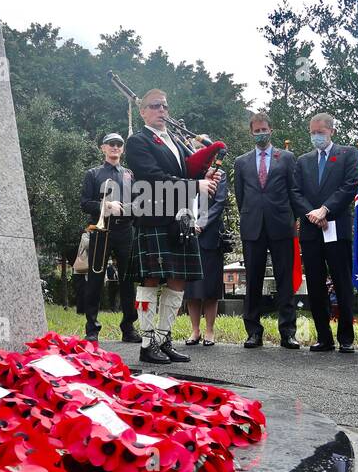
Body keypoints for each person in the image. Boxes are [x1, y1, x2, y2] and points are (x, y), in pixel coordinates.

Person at [124, 89, 222, 365]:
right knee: (151, 280)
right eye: (154, 106)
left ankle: (164, 339)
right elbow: (153, 178)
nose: (161, 111)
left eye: (164, 106)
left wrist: (204, 175)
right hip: (153, 216)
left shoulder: (176, 142)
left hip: (180, 217)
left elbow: (184, 173)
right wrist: (195, 186)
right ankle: (146, 342)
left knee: (178, 279)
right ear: (143, 111)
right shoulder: (137, 141)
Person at [291, 113, 358, 352]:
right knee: (317, 285)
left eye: (320, 132)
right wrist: (312, 213)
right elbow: (296, 192)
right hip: (311, 230)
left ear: (331, 131)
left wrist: (325, 210)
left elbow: (350, 185)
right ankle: (324, 337)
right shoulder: (303, 160)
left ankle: (346, 338)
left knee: (342, 282)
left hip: (337, 227)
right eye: (312, 132)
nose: (316, 136)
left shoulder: (348, 154)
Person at [233, 112, 301, 349]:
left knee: (285, 280)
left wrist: (295, 219)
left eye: (264, 129)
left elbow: (294, 191)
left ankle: (288, 332)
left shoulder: (287, 158)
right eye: (256, 130)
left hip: (282, 225)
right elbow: (240, 196)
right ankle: (253, 331)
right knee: (253, 280)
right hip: (253, 227)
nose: (261, 133)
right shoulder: (241, 162)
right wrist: (252, 214)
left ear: (271, 130)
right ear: (251, 132)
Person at [79, 133, 139, 344]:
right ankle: (92, 329)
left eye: (119, 144)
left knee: (128, 281)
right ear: (103, 148)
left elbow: (137, 202)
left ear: (122, 149)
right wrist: (105, 206)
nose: (115, 147)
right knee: (95, 279)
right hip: (101, 230)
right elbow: (85, 203)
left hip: (125, 231)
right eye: (111, 144)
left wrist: (128, 209)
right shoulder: (93, 174)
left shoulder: (129, 174)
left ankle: (129, 327)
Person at [184, 137, 229, 347]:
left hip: (210, 235)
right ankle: (195, 331)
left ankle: (210, 331)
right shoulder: (185, 176)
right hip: (187, 235)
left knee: (210, 288)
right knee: (191, 289)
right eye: (196, 150)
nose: (199, 152)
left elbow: (219, 203)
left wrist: (201, 222)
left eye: (203, 149)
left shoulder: (219, 175)